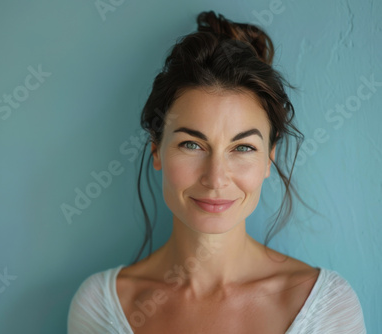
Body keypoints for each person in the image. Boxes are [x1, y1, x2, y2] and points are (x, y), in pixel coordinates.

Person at [67, 10, 366, 333]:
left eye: (243, 148)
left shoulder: (325, 307)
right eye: (192, 145)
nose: (216, 178)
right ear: (156, 148)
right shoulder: (102, 306)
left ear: (269, 158)